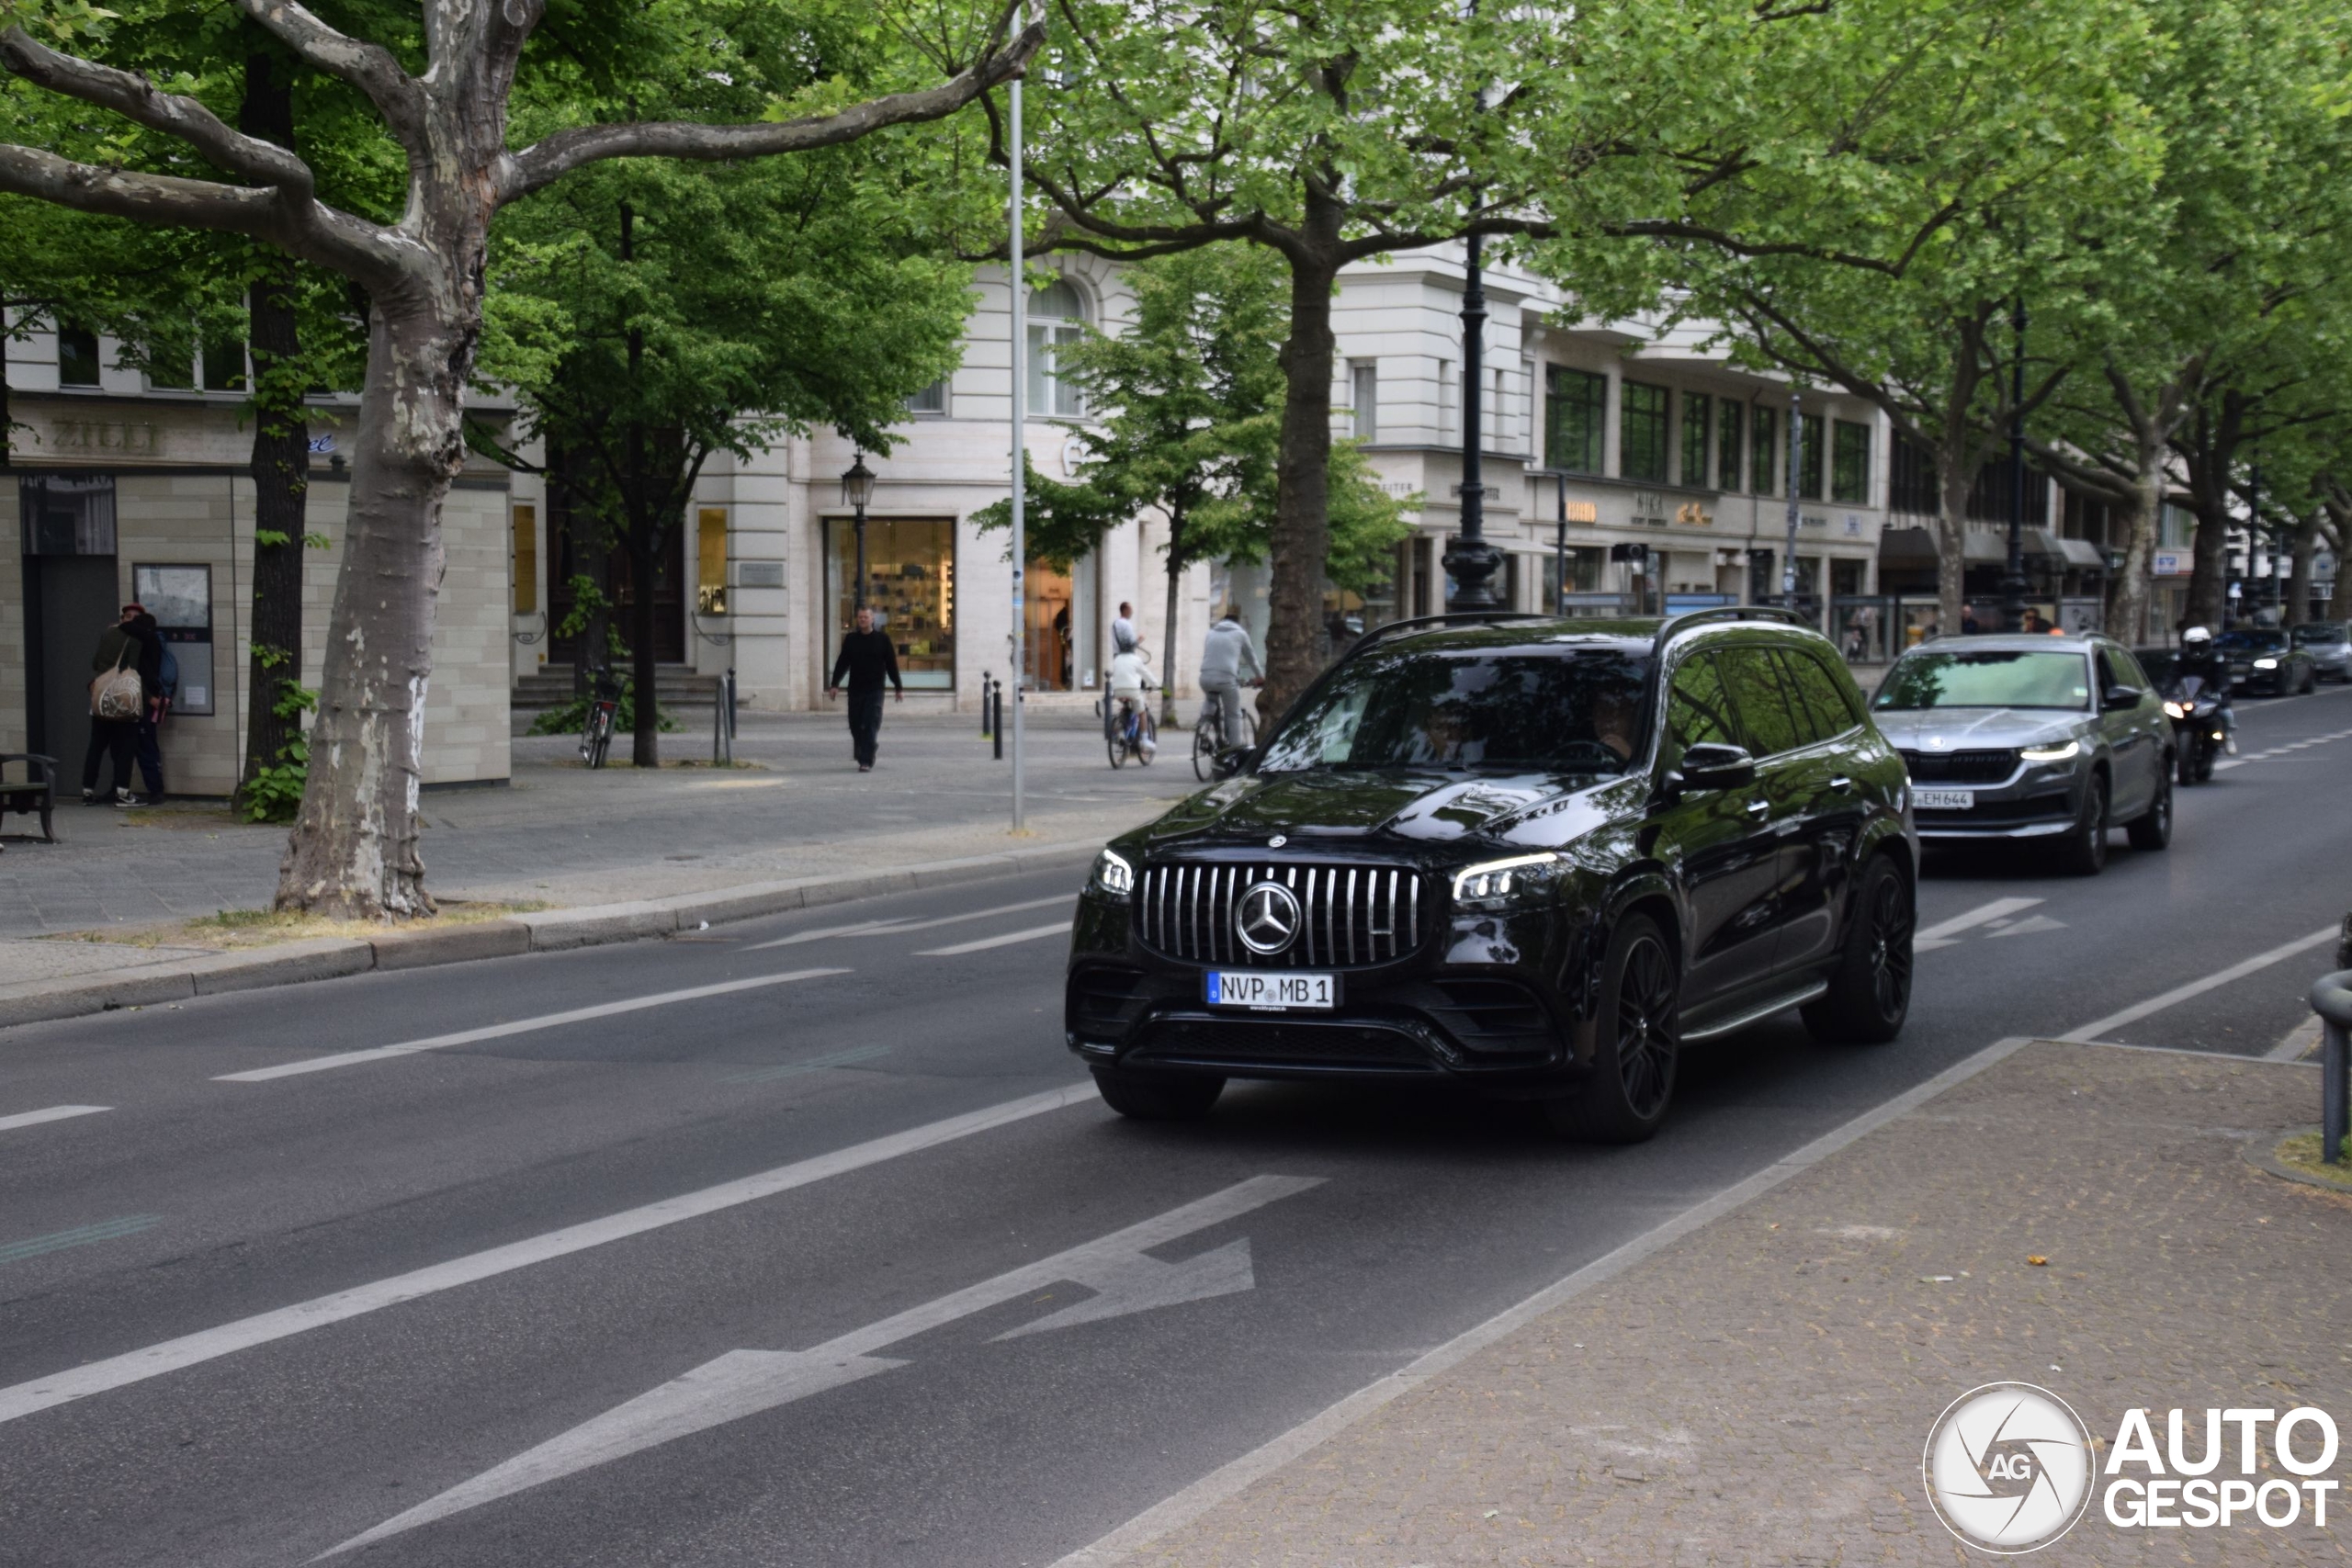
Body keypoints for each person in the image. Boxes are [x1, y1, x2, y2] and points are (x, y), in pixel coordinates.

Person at [82, 603, 156, 806]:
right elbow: (133, 673)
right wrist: (149, 697)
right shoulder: (136, 638)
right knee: (126, 747)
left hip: (102, 698)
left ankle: (87, 791)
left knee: (96, 746)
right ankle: (123, 793)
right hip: (123, 701)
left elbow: (96, 663)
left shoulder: (107, 634)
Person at [825, 605, 902, 772]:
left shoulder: (882, 640)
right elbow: (842, 662)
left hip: (875, 690)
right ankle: (867, 749)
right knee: (855, 725)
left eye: (866, 617)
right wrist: (834, 684)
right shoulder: (852, 640)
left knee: (870, 722)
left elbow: (891, 665)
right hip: (855, 689)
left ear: (872, 619)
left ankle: (866, 760)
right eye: (860, 617)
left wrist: (898, 687)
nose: (863, 620)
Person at [1196, 607, 1262, 745]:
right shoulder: (1240, 634)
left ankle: (1204, 725)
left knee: (1211, 700)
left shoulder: (1211, 633)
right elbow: (1252, 659)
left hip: (1205, 677)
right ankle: (1234, 752)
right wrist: (1260, 677)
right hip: (1226, 678)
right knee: (1233, 714)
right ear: (1237, 623)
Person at [2177, 625, 2237, 753]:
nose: (2197, 649)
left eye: (2200, 644)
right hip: (2188, 695)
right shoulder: (2181, 658)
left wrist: (2223, 690)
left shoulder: (2216, 658)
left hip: (2210, 693)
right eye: (2193, 645)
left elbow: (2222, 676)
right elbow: (2171, 676)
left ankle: (2227, 736)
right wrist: (2165, 690)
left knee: (2225, 713)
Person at [130, 606, 168, 802]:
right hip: (151, 698)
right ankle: (155, 788)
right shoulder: (155, 642)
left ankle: (155, 789)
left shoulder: (144, 643)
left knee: (145, 746)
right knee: (148, 743)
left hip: (143, 701)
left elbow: (137, 675)